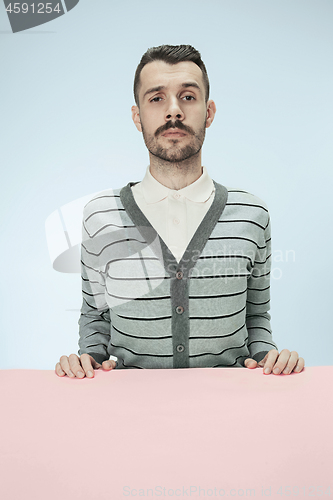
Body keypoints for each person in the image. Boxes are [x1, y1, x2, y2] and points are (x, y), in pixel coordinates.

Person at [55, 44, 304, 379]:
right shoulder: (101, 215)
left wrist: (270, 357)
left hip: (233, 410)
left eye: (188, 96)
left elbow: (256, 317)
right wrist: (87, 359)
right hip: (126, 412)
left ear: (209, 111)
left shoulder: (251, 214)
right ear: (137, 115)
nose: (174, 111)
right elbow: (95, 315)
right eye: (156, 98)